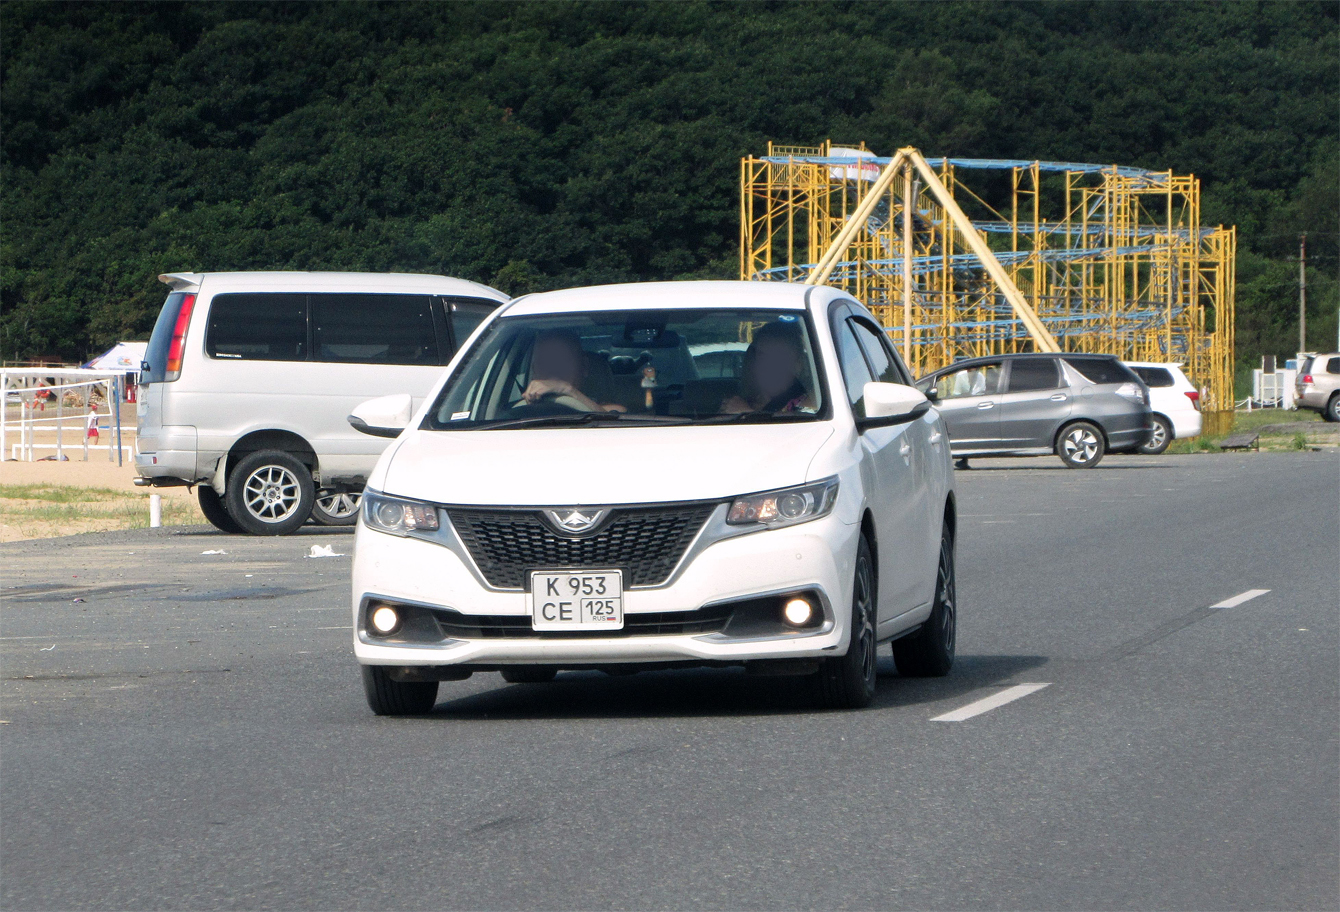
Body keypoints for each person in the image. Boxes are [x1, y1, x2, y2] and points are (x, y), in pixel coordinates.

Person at [720, 321, 817, 414]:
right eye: (764, 358)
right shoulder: (742, 402)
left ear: (798, 364)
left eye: (780, 358)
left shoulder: (810, 403)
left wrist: (747, 413)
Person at [518, 329, 626, 413]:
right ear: (534, 370)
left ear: (584, 367)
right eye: (544, 364)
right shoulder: (519, 415)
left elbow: (614, 419)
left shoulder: (604, 407)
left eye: (562, 363)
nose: (553, 372)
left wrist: (566, 389)